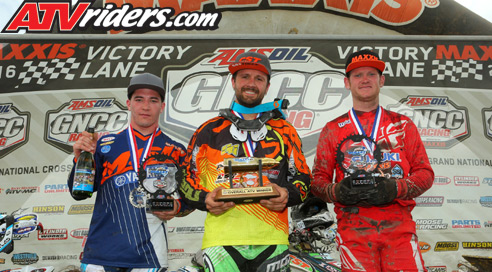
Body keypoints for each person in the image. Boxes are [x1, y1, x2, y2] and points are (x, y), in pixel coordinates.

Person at [179, 52, 311, 272]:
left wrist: (288, 195)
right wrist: (205, 199)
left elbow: (303, 178)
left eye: (259, 78)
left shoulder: (285, 130)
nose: (251, 83)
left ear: (267, 86)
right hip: (221, 240)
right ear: (233, 82)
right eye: (245, 77)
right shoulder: (208, 130)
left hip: (272, 238)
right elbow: (185, 177)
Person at [311, 49, 434, 272]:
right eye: (357, 75)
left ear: (382, 80)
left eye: (371, 74)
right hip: (353, 229)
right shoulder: (332, 129)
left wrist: (395, 188)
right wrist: (338, 192)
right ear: (347, 83)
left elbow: (425, 174)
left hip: (400, 228)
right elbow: (318, 181)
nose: (365, 79)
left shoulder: (402, 125)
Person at [67, 73, 192, 272]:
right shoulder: (103, 144)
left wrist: (177, 207)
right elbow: (79, 193)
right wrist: (79, 158)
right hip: (101, 253)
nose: (145, 106)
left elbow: (191, 199)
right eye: (139, 99)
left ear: (162, 106)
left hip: (150, 255)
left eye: (153, 100)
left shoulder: (176, 150)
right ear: (128, 103)